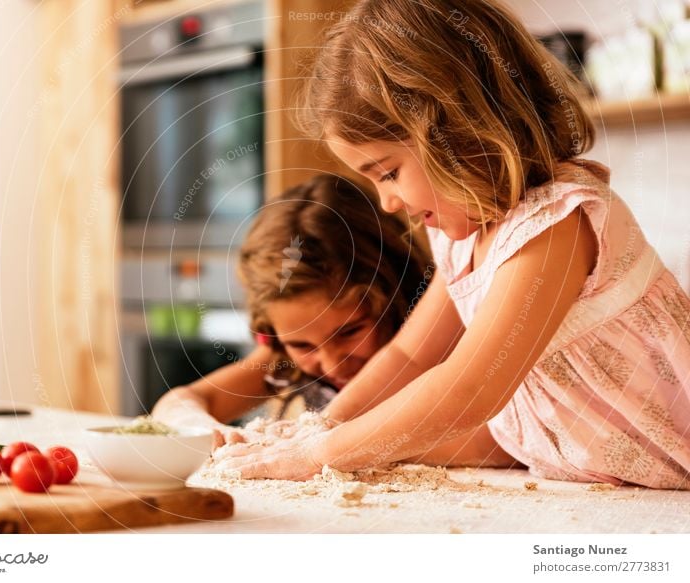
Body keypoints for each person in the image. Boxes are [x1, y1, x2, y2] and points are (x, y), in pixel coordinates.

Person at [216, 0, 690, 489]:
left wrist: (315, 455)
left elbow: (470, 387)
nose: (387, 202)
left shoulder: (554, 227)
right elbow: (410, 358)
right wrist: (318, 428)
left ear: (457, 132)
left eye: (389, 173)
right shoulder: (461, 237)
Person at [151, 174, 516, 466]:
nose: (330, 362)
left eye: (351, 331)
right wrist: (197, 427)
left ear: (393, 292)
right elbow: (182, 401)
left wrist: (334, 446)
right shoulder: (283, 360)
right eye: (302, 344)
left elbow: (508, 443)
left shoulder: (445, 334)